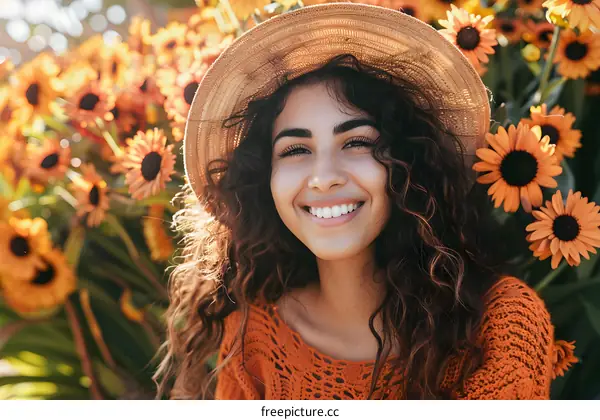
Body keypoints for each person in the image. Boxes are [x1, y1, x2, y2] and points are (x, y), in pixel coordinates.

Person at [155, 3, 574, 399]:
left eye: (356, 142)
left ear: (408, 162)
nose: (323, 179)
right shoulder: (254, 336)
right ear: (264, 178)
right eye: (295, 150)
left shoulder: (499, 325)